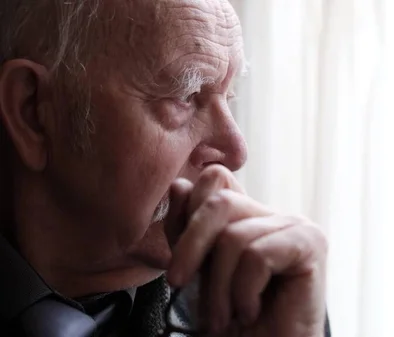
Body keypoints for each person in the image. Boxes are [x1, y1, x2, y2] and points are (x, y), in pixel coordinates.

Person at [0, 0, 330, 336]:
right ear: (34, 111)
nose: (236, 152)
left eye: (228, 98)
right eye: (185, 95)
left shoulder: (266, 308)